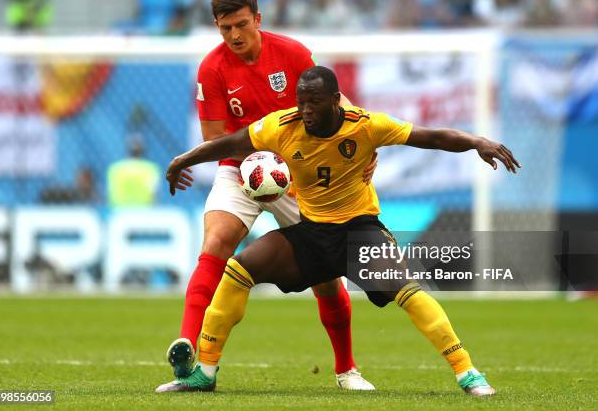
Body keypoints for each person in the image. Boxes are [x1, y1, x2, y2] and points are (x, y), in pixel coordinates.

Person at [165, 66, 521, 395]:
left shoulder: (366, 125)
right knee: (240, 269)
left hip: (359, 232)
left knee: (407, 289)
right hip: (312, 234)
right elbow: (232, 143)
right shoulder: (281, 125)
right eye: (301, 101)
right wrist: (185, 158)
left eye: (314, 102)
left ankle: (467, 371)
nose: (305, 109)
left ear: (336, 101)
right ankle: (205, 372)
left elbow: (432, 137)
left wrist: (477, 142)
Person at [156, 0, 377, 393]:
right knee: (216, 242)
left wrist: (363, 146)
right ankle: (187, 348)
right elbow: (216, 138)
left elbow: (339, 105)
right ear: (216, 27)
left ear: (257, 19)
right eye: (225, 29)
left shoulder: (291, 53)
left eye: (241, 25)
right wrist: (236, 164)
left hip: (298, 174)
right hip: (241, 169)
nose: (235, 36)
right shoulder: (212, 69)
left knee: (326, 275)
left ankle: (347, 368)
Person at [107, 136, 160, 206]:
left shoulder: (115, 169)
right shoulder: (151, 169)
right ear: (143, 150)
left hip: (120, 211)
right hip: (143, 211)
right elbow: (154, 195)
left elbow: (111, 193)